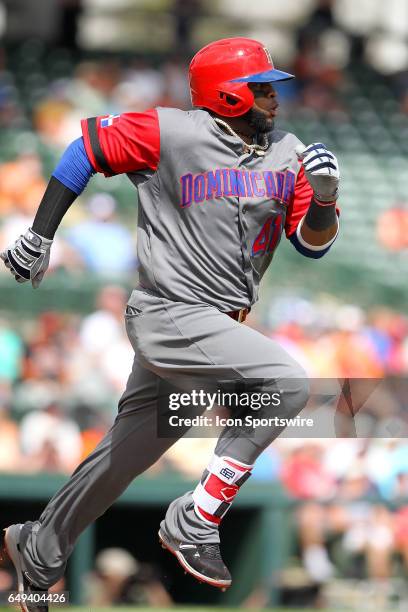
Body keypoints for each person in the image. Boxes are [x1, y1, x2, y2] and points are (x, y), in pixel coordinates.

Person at [1, 37, 340, 610]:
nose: (274, 97)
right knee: (287, 383)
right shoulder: (172, 131)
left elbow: (311, 245)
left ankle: (38, 547)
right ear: (228, 94)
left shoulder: (288, 152)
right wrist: (40, 233)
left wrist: (326, 198)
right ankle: (198, 518)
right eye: (261, 87)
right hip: (169, 312)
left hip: (212, 330)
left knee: (122, 459)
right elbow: (83, 148)